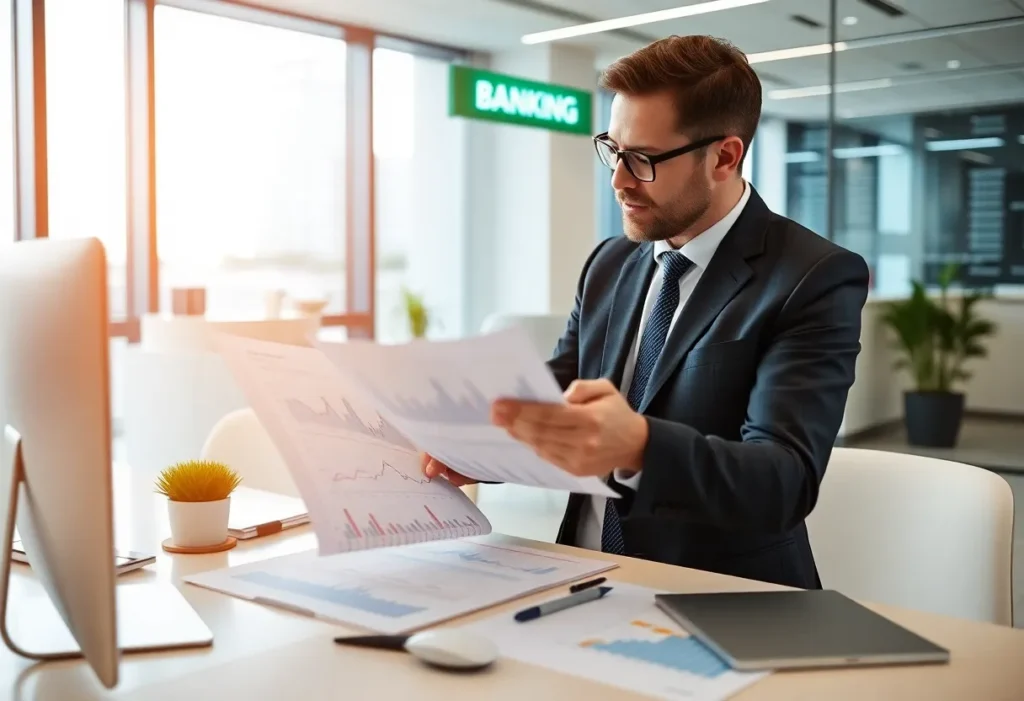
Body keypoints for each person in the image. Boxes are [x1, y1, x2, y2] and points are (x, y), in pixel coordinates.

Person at [422, 34, 869, 589]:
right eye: (613, 149)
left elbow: (783, 482)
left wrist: (640, 445)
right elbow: (557, 398)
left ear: (724, 157)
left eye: (643, 159)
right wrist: (479, 449)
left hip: (715, 599)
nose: (619, 180)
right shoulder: (610, 263)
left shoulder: (812, 277)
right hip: (573, 582)